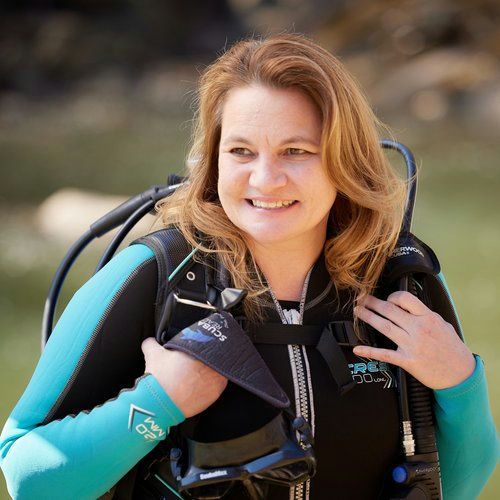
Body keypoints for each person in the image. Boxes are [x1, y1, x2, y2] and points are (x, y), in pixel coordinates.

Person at [0, 34, 497, 500]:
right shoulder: (153, 276)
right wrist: (158, 403)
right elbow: (25, 473)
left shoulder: (400, 277)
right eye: (241, 151)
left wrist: (459, 382)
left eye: (296, 151)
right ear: (214, 160)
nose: (266, 179)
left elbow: (457, 486)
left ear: (344, 160)